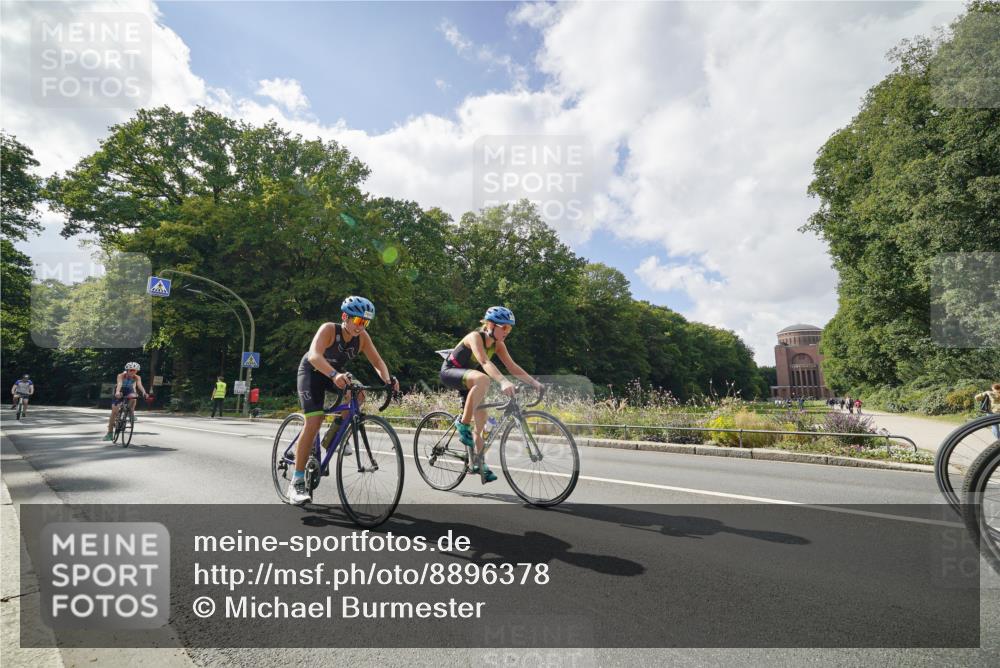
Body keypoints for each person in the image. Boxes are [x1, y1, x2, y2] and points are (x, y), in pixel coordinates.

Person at [287, 296, 399, 505]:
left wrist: (388, 379)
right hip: (312, 372)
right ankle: (297, 481)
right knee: (314, 421)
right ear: (345, 317)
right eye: (357, 321)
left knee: (359, 395)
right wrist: (333, 375)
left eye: (365, 323)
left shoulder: (362, 337)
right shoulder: (329, 329)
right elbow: (313, 356)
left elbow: (377, 361)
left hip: (334, 372)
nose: (360, 327)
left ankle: (331, 439)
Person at [439, 306, 543, 484]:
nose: (507, 332)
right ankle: (462, 424)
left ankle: (479, 464)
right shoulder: (475, 337)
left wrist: (534, 383)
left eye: (509, 328)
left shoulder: (498, 345)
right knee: (484, 379)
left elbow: (512, 366)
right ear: (490, 325)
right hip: (451, 373)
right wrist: (503, 381)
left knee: (482, 425)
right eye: (504, 327)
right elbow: (484, 361)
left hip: (471, 381)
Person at [104, 362, 149, 440]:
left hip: (129, 390)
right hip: (120, 389)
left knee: (134, 397)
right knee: (114, 411)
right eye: (131, 370)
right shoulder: (121, 375)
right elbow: (119, 383)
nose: (133, 372)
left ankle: (130, 413)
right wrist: (117, 392)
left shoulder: (137, 377)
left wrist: (144, 393)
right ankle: (110, 433)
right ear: (127, 370)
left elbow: (139, 385)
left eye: (135, 370)